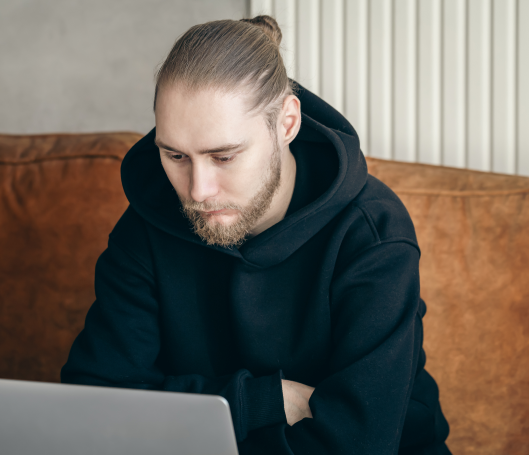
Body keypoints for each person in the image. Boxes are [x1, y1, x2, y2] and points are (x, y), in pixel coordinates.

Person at [61, 15, 451, 455]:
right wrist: (257, 403)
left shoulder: (372, 233)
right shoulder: (145, 229)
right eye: (175, 156)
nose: (197, 191)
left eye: (223, 157)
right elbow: (94, 405)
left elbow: (357, 442)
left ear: (286, 123)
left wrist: (173, 417)